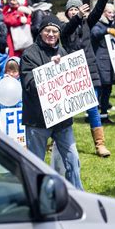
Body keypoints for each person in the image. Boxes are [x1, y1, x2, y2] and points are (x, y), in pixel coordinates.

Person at [20, 14, 83, 190]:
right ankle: (35, 195)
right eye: (47, 30)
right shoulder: (29, 54)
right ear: (40, 32)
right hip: (37, 121)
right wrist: (50, 68)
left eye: (54, 31)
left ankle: (79, 196)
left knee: (73, 160)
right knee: (36, 163)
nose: (51, 34)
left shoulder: (62, 52)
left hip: (62, 120)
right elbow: (30, 85)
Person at [61, 0, 115, 157]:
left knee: (93, 108)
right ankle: (56, 141)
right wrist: (77, 18)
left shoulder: (87, 23)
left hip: (89, 71)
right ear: (67, 12)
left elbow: (99, 10)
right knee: (65, 109)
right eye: (72, 10)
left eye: (77, 9)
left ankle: (100, 144)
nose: (75, 12)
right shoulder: (63, 28)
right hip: (70, 73)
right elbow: (67, 31)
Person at [91, 3, 115, 125]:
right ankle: (93, 116)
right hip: (101, 62)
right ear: (103, 13)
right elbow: (95, 34)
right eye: (109, 12)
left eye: (113, 12)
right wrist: (107, 30)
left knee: (108, 89)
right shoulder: (98, 24)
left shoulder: (111, 24)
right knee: (100, 90)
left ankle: (104, 116)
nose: (112, 15)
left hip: (110, 63)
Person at [0, 56, 22, 128]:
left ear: (19, 72)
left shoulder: (21, 83)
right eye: (8, 71)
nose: (11, 74)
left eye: (14, 71)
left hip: (14, 115)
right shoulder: (0, 80)